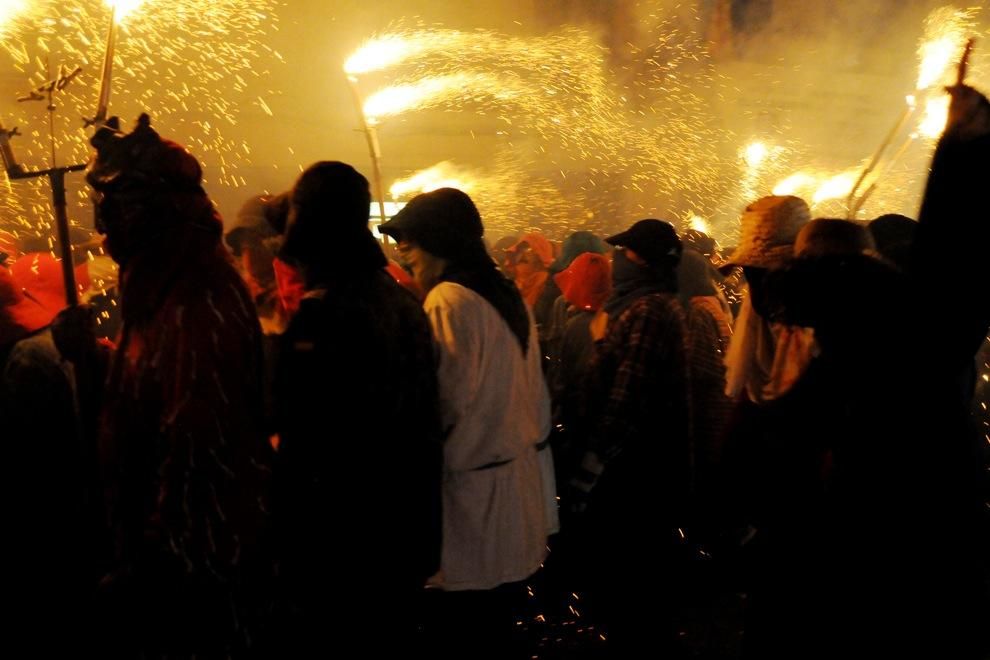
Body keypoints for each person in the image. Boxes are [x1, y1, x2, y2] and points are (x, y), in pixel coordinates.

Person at [78, 114, 272, 657]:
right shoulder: (159, 284)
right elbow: (148, 388)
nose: (103, 221)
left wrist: (150, 565)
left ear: (157, 209)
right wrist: (91, 362)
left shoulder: (198, 300)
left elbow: (198, 454)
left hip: (194, 578)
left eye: (117, 203)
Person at [271, 161, 443, 654]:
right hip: (406, 534)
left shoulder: (325, 316)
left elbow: (301, 439)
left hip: (343, 551)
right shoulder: (401, 301)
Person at [380, 188, 555, 660]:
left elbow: (443, 407)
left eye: (410, 245)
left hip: (468, 513)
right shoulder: (505, 295)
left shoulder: (450, 301)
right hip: (516, 503)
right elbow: (538, 406)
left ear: (438, 241)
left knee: (463, 643)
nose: (404, 256)